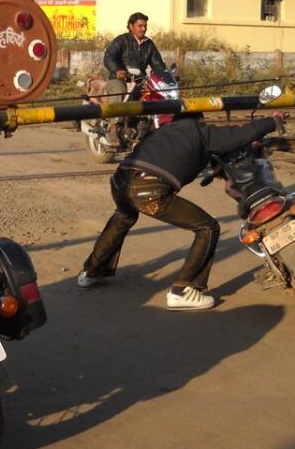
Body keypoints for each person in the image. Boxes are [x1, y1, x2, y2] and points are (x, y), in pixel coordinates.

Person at [78, 111, 283, 311]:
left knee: (124, 216)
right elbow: (240, 134)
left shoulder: (162, 131)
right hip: (149, 191)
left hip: (120, 182)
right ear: (199, 119)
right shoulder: (200, 130)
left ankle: (91, 271)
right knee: (207, 227)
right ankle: (183, 290)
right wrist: (273, 121)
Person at [101, 12, 167, 144]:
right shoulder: (122, 40)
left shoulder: (148, 44)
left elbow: (157, 64)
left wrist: (166, 74)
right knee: (120, 93)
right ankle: (113, 128)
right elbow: (109, 57)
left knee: (151, 96)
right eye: (140, 26)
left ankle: (142, 126)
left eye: (145, 26)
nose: (143, 29)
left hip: (138, 80)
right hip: (119, 78)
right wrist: (117, 70)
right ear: (131, 26)